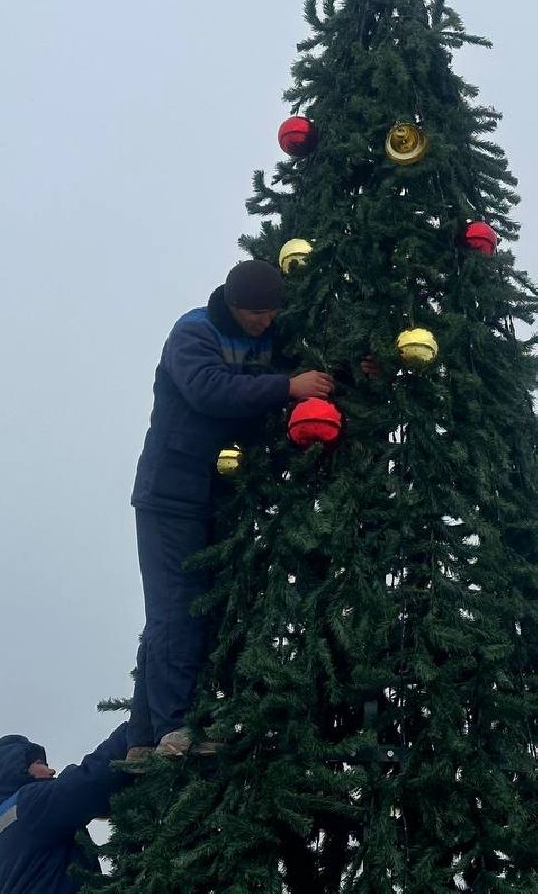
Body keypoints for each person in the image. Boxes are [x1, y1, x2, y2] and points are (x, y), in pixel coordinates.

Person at [127, 259, 334, 759]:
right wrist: (288, 387)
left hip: (218, 492)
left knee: (201, 605)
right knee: (176, 606)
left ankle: (142, 738)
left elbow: (312, 366)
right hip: (171, 494)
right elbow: (209, 391)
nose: (265, 323)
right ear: (233, 305)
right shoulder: (193, 332)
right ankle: (172, 730)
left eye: (271, 312)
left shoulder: (270, 333)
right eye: (255, 314)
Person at [0, 723, 131, 894]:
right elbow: (93, 780)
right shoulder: (29, 805)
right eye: (39, 763)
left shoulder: (3, 821)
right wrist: (134, 727)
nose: (51, 770)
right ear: (18, 770)